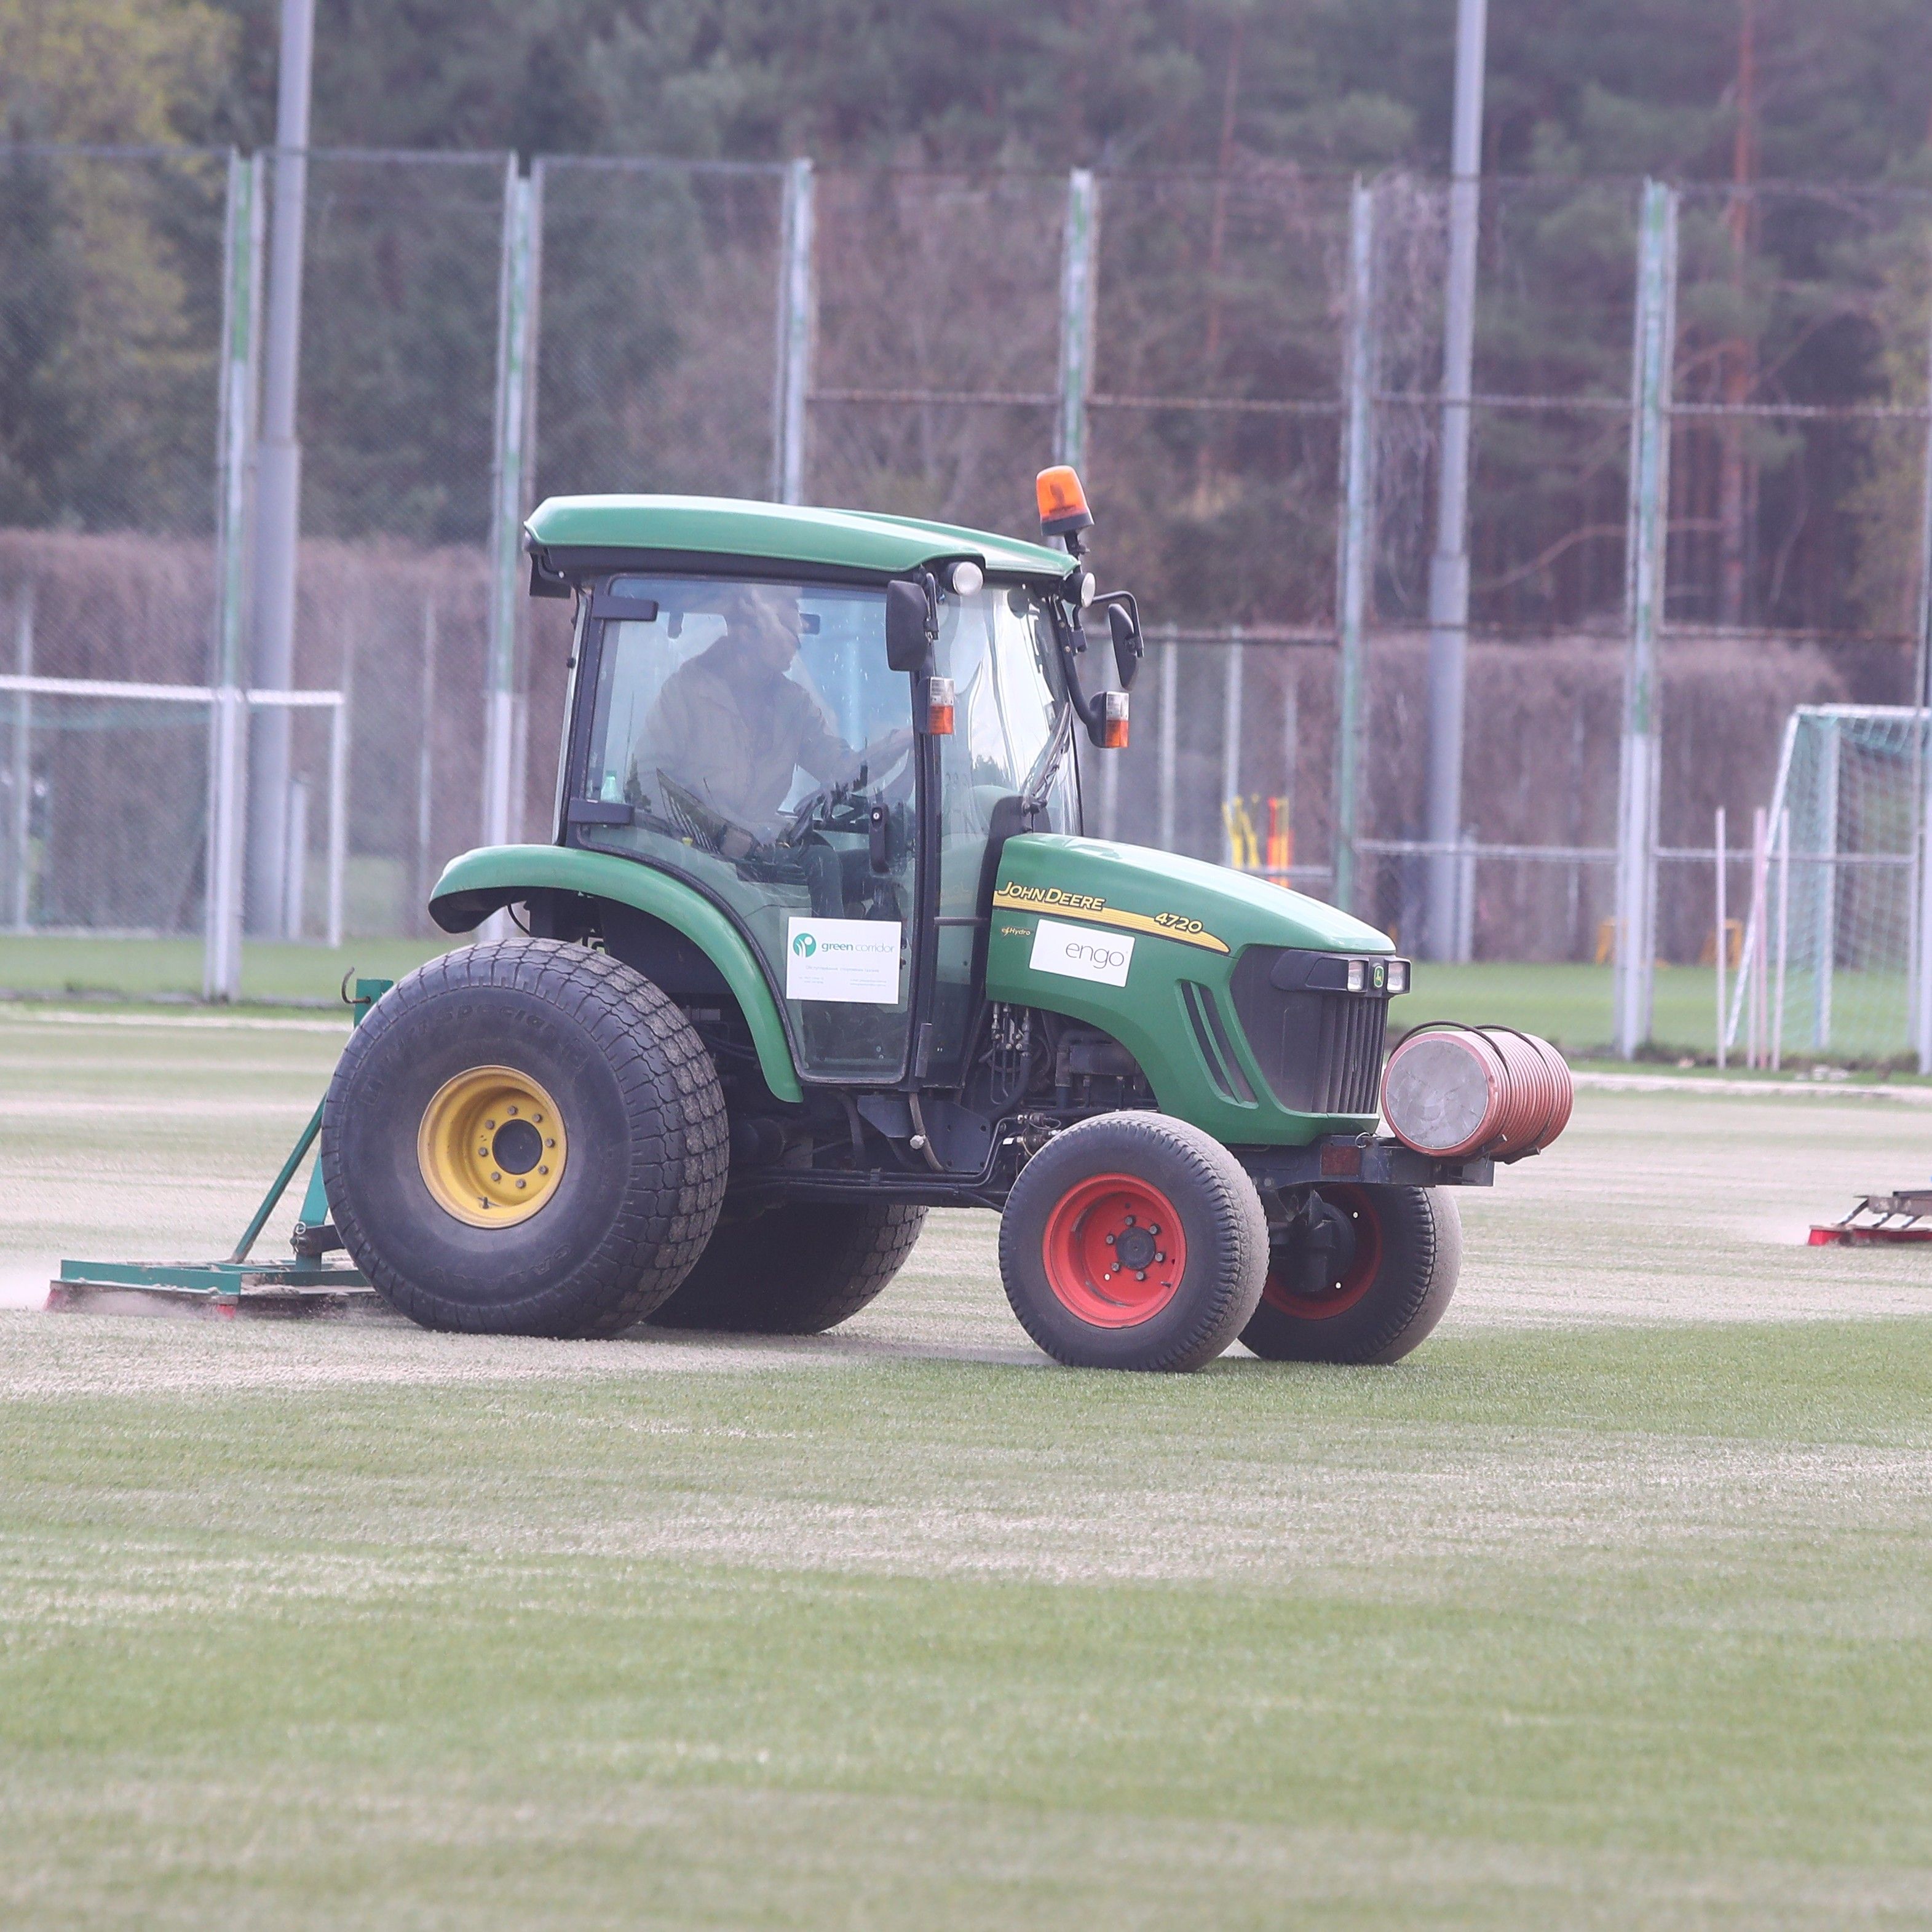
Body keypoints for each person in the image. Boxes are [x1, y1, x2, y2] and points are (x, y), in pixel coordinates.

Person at [631, 585, 903, 834]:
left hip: (758, 858)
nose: (801, 626)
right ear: (747, 627)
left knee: (827, 862)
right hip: (689, 860)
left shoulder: (794, 704)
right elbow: (645, 781)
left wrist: (901, 742)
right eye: (789, 611)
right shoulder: (685, 692)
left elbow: (841, 771)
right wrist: (719, 831)